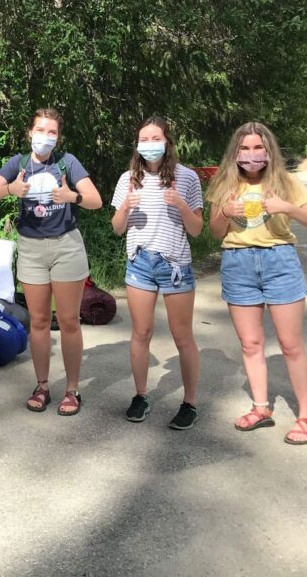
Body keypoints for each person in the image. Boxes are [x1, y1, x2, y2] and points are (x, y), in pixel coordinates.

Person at [207, 121, 307, 445]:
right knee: (251, 344)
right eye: (245, 148)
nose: (252, 154)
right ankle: (261, 408)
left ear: (269, 150)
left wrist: (286, 207)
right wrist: (224, 213)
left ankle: (304, 415)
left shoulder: (287, 183)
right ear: (236, 152)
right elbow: (215, 232)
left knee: (290, 345)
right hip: (238, 263)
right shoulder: (225, 183)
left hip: (279, 261)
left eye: (258, 147)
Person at [0, 108, 102, 416]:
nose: (45, 137)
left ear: (58, 138)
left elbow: (95, 200)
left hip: (66, 247)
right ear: (29, 133)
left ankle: (72, 389)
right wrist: (10, 188)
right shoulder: (18, 164)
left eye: (52, 132)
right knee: (38, 321)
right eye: (40, 130)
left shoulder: (68, 163)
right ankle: (42, 385)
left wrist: (70, 196)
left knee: (70, 320)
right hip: (31, 249)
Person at [111, 117, 203, 429]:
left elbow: (198, 229)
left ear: (167, 142)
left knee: (182, 336)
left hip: (175, 265)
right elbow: (116, 228)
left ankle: (189, 402)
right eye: (144, 138)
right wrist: (124, 208)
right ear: (137, 145)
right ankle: (140, 396)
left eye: (155, 137)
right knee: (141, 333)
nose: (150, 143)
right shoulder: (128, 179)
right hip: (140, 264)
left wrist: (181, 205)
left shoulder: (186, 178)